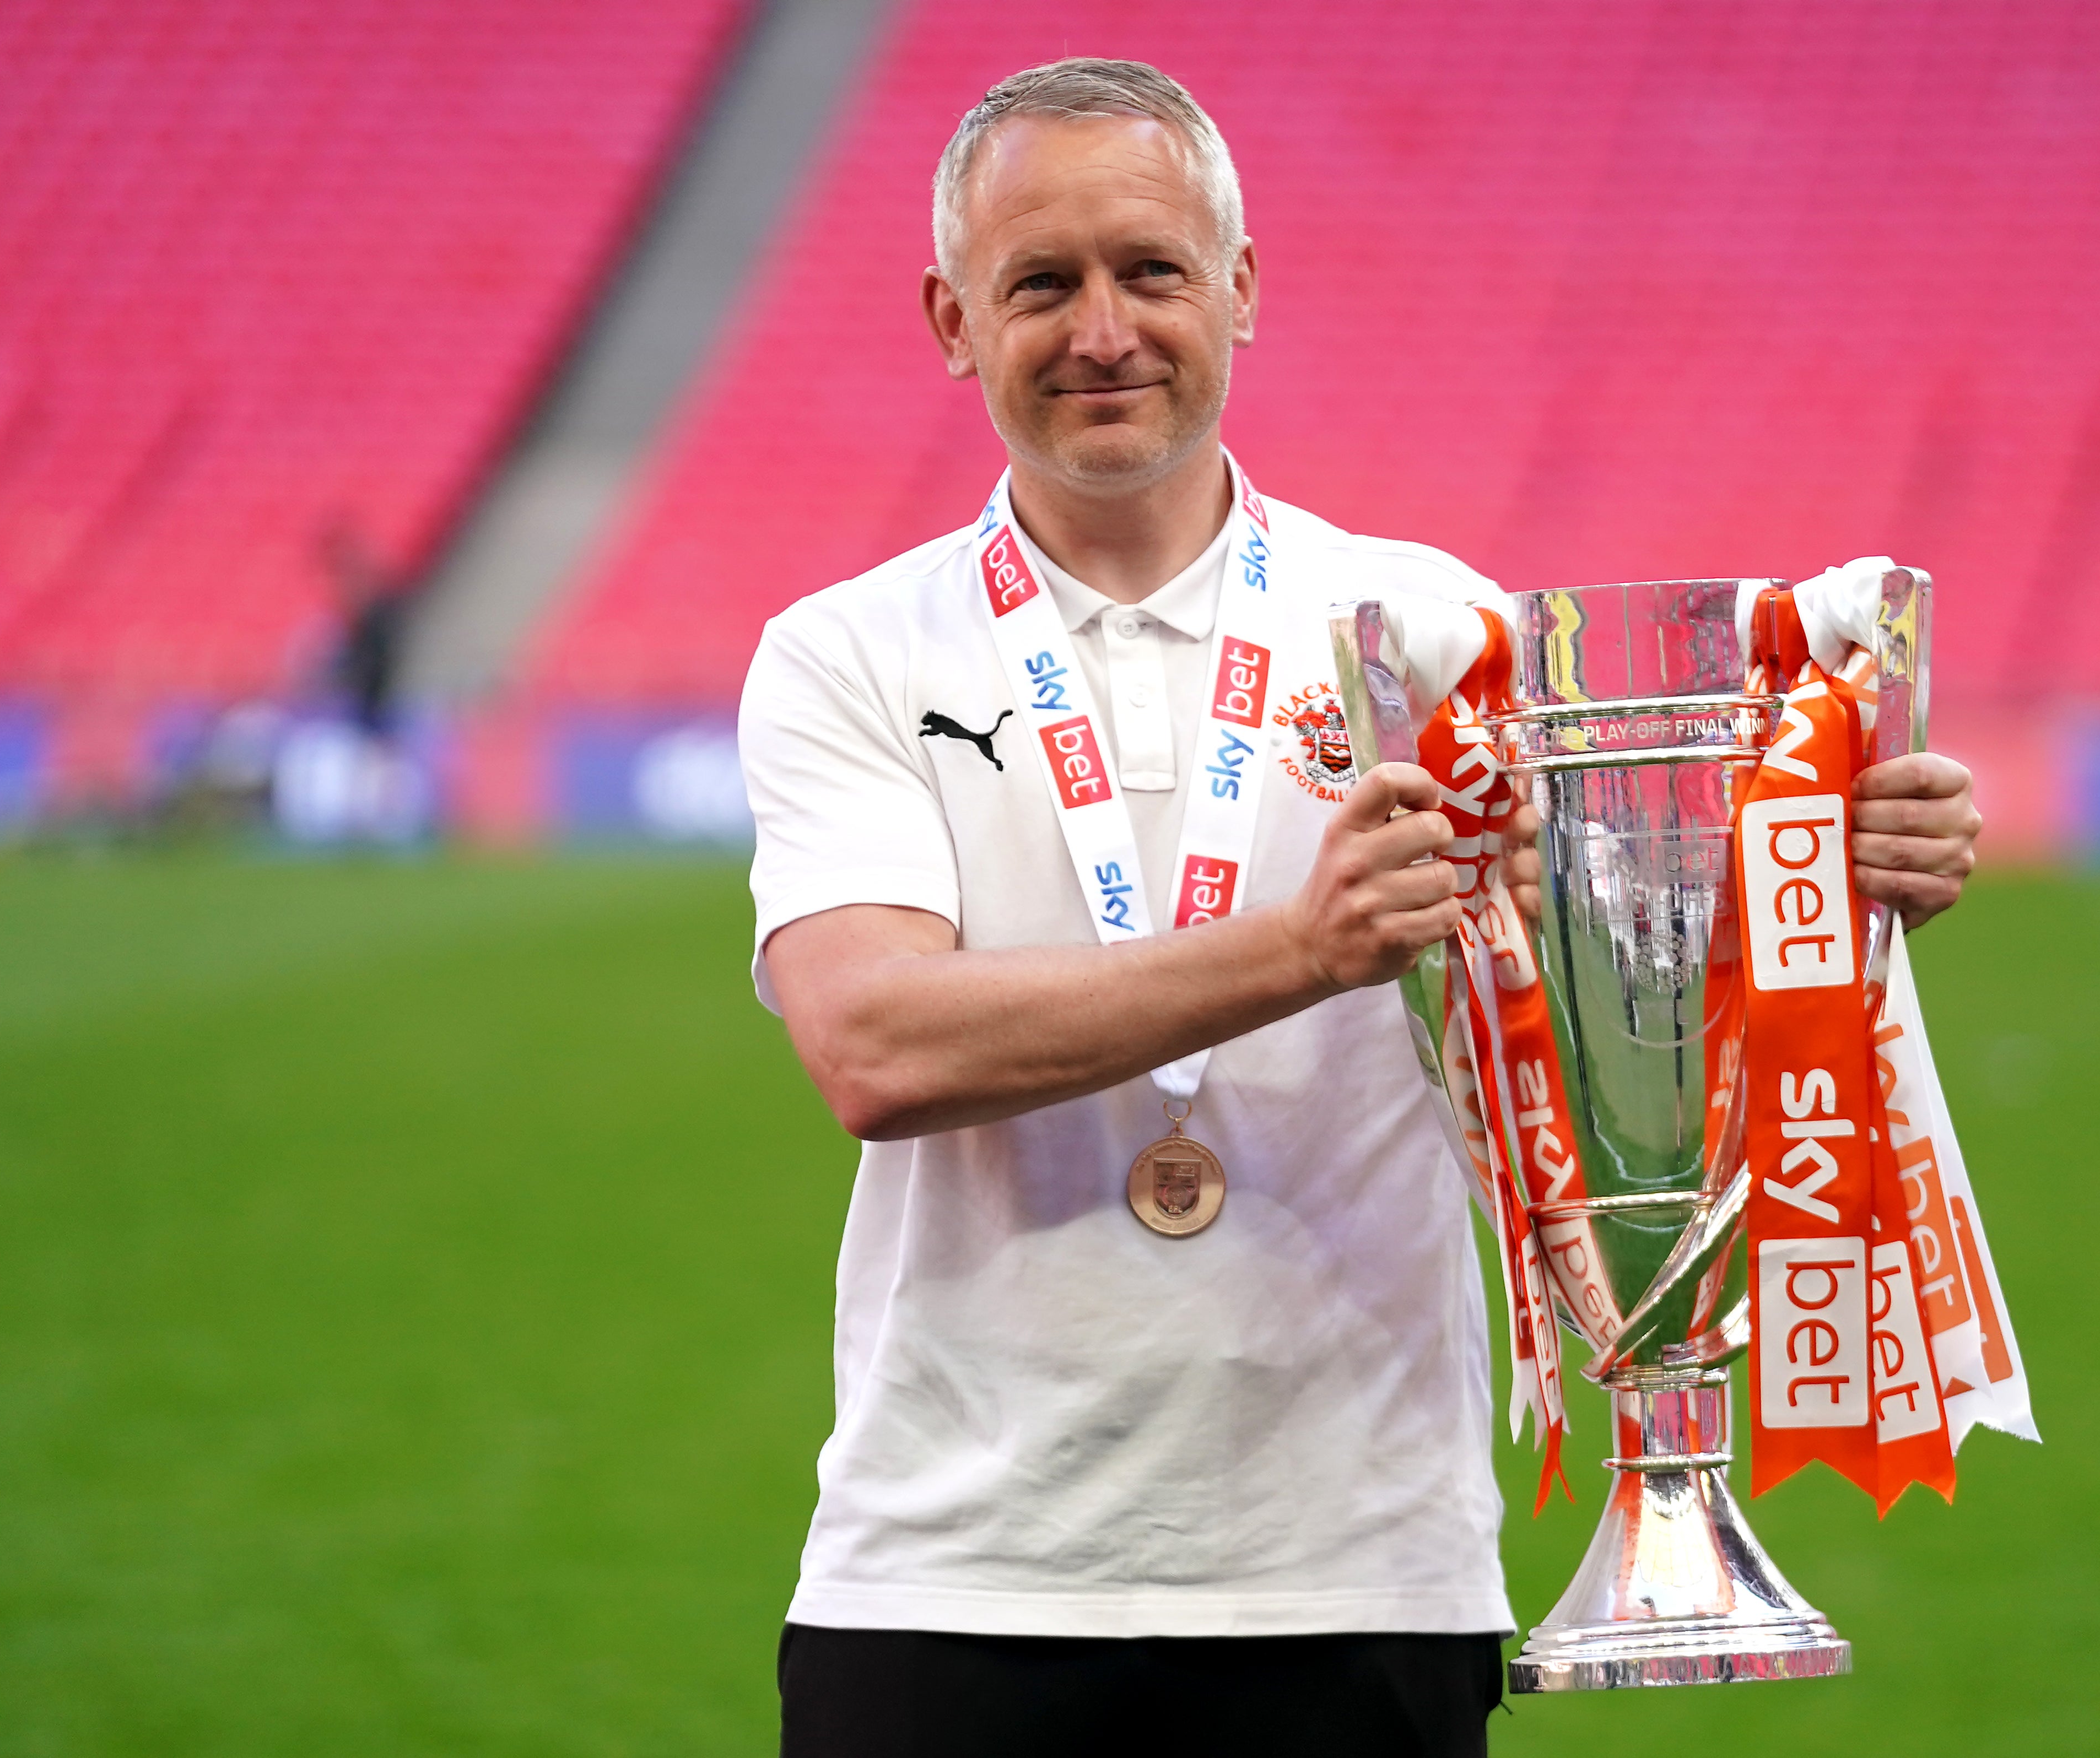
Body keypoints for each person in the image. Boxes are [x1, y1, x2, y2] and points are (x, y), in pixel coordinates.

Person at [738, 58, 1980, 1758]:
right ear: (955, 321)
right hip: (956, 1579)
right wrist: (1299, 952)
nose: (1102, 329)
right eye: (1042, 284)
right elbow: (871, 1042)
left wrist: (1824, 879)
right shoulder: (851, 652)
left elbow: (1616, 988)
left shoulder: (1427, 626)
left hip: (1357, 1573)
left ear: (1242, 289)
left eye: (1152, 270)